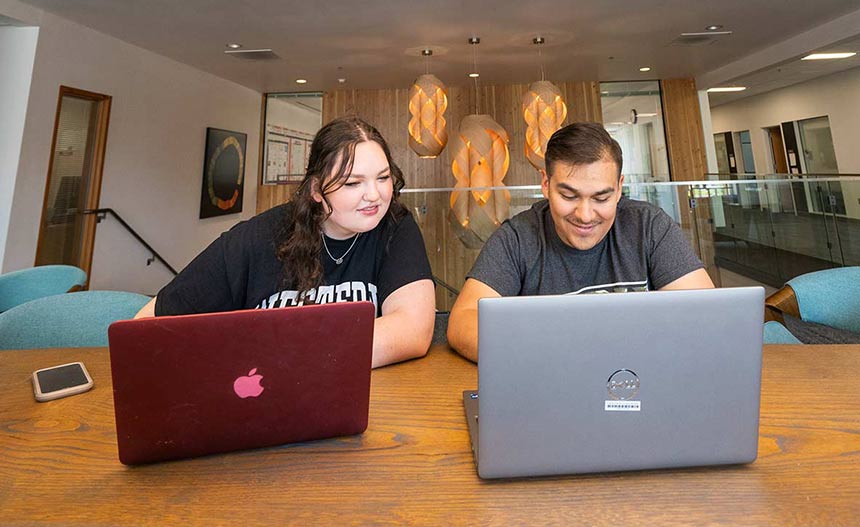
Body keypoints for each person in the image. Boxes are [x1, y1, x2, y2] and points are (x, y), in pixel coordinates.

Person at [135, 116, 436, 368]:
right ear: (317, 190)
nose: (374, 195)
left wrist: (284, 352)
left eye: (383, 178)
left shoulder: (395, 227)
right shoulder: (257, 237)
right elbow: (146, 325)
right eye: (353, 183)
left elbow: (413, 330)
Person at [447, 122, 714, 362]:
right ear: (545, 183)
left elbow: (706, 315)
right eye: (569, 196)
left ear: (619, 187)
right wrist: (564, 356)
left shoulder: (648, 226)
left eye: (601, 198)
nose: (585, 215)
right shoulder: (517, 238)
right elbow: (463, 322)